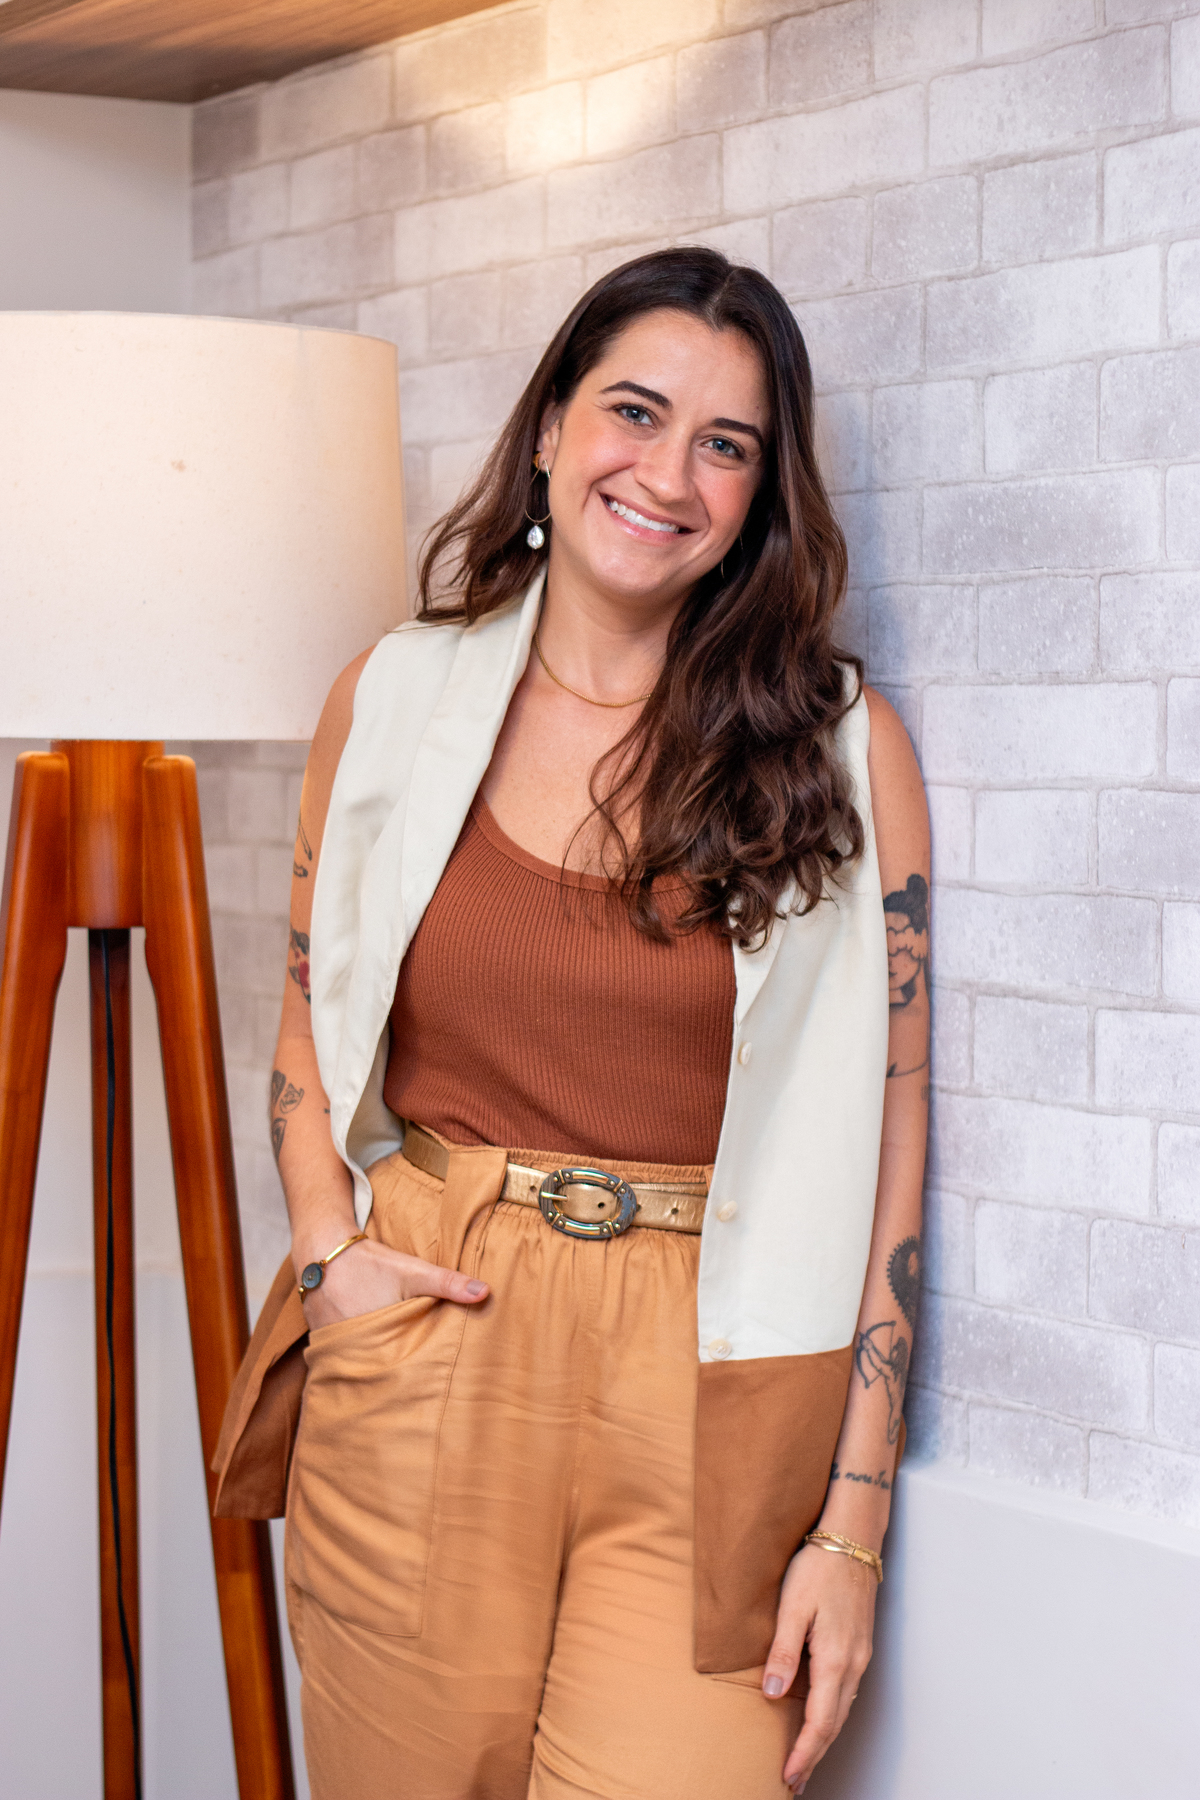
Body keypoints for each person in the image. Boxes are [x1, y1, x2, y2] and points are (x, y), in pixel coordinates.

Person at [213, 247, 929, 1800]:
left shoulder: (840, 752)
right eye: (635, 412)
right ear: (550, 425)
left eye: (726, 445)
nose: (667, 475)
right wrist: (332, 1260)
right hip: (433, 1329)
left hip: (715, 1382)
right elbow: (307, 1030)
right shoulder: (390, 699)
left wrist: (855, 1523)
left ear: (761, 496)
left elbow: (891, 1146)